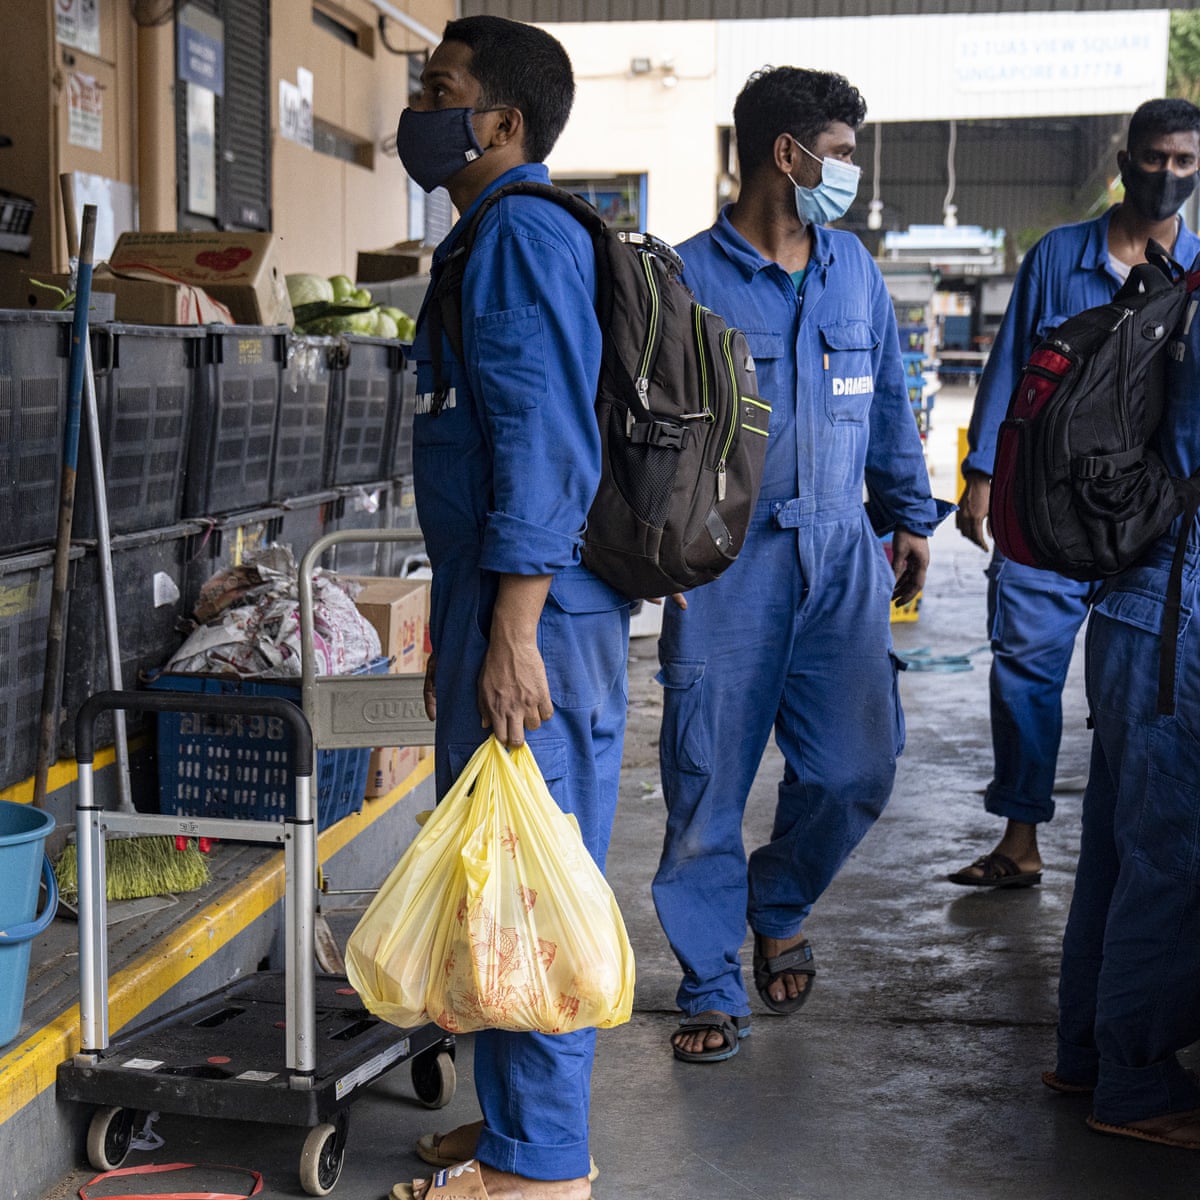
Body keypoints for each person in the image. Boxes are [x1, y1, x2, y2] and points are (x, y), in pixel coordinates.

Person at [652, 66, 950, 1064]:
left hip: (842, 556)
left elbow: (890, 400)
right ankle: (708, 978)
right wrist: (661, 557)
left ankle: (778, 901)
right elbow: (643, 435)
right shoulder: (685, 279)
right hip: (725, 569)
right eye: (845, 153)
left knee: (859, 766)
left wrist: (908, 515)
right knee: (706, 784)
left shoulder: (852, 269)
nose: (853, 175)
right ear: (790, 155)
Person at [392, 16, 628, 1200]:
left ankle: (536, 1174)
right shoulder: (489, 235)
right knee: (501, 874)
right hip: (504, 604)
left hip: (546, 616)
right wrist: (463, 624)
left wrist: (515, 633)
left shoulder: (520, 237)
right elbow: (481, 453)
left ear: (503, 124)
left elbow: (542, 444)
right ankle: (514, 1134)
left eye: (439, 89)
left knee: (530, 887)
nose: (419, 108)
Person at [948, 98, 1200, 891]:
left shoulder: (1196, 274)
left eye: (1185, 162)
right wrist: (982, 477)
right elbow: (1010, 370)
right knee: (1023, 665)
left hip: (1150, 521)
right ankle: (1021, 837)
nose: (1168, 175)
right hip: (1047, 510)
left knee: (1137, 691)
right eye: (1155, 158)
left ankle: (1121, 845)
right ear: (1126, 163)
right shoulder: (1061, 256)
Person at [1050, 110, 1200, 1148]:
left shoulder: (1186, 293)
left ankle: (1087, 1058)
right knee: (1172, 859)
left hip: (1140, 612)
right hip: (1177, 624)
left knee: (1117, 849)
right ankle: (1138, 1086)